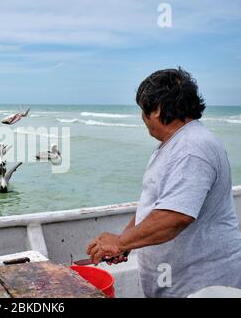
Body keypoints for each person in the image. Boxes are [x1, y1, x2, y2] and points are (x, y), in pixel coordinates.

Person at [86, 67, 241, 297]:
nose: (142, 118)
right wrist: (127, 243)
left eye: (142, 110)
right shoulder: (175, 144)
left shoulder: (192, 149)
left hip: (201, 285)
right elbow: (157, 204)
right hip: (176, 282)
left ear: (156, 109)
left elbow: (175, 217)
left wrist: (120, 241)